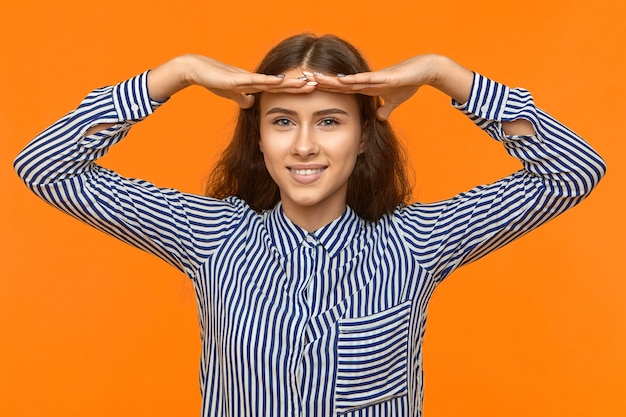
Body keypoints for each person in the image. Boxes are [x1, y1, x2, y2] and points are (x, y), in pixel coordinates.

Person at [14, 33, 606, 417]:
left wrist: (443, 74)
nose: (303, 146)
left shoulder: (418, 242)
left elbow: (572, 172)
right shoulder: (210, 235)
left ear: (364, 135)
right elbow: (45, 166)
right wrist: (179, 72)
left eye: (328, 121)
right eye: (281, 121)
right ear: (259, 136)